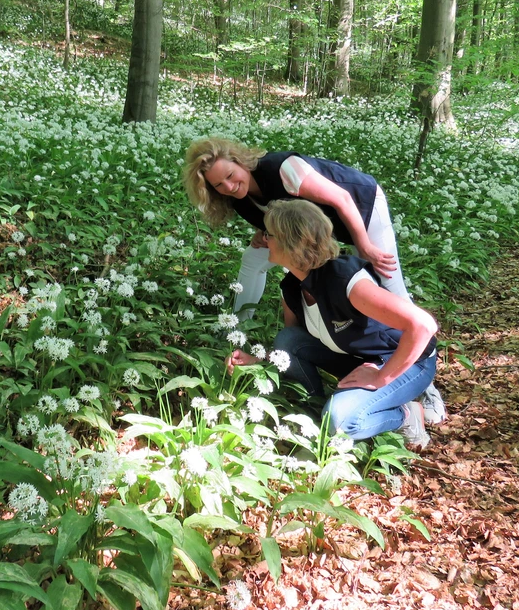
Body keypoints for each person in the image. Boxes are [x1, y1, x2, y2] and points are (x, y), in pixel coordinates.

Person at [183, 136, 446, 423]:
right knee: (252, 260)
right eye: (219, 185)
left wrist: (365, 247)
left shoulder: (283, 168)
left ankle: (421, 383)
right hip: (310, 231)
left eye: (231, 177)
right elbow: (284, 229)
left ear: (239, 161)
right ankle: (236, 327)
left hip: (360, 207)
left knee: (392, 291)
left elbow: (342, 199)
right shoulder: (241, 200)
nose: (229, 187)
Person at [226, 200, 439, 447]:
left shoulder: (346, 280)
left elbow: (423, 326)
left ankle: (405, 415)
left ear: (291, 242)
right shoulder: (292, 286)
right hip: (357, 357)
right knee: (289, 340)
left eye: (268, 234)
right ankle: (314, 409)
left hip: (408, 361)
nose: (263, 240)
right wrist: (258, 363)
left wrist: (381, 377)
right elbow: (288, 351)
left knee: (339, 421)